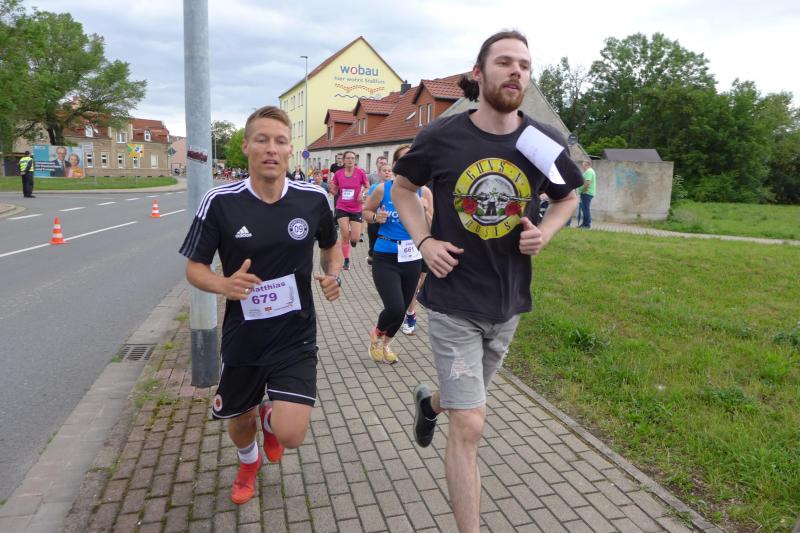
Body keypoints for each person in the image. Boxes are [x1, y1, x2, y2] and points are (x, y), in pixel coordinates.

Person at [392, 30, 583, 532]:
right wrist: (425, 241)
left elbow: (567, 198)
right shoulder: (442, 136)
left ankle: (428, 403)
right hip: (453, 299)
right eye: (504, 62)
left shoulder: (539, 141)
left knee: (461, 402)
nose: (516, 70)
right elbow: (403, 188)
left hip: (508, 302)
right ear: (478, 74)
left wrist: (545, 232)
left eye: (524, 64)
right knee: (471, 422)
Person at [179, 105, 343, 506]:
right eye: (262, 140)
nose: (272, 148)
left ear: (290, 151)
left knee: (292, 435)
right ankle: (248, 461)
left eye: (280, 141)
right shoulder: (220, 202)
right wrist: (224, 284)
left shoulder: (313, 199)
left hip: (295, 334)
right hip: (245, 337)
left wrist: (332, 275)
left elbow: (331, 246)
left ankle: (273, 422)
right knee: (240, 421)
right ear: (246, 146)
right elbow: (194, 268)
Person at [362, 147, 432, 363]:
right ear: (395, 165)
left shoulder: (425, 193)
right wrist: (376, 217)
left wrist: (424, 211)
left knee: (402, 311)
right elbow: (365, 212)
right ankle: (377, 333)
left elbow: (432, 227)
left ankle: (386, 344)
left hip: (412, 257)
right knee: (395, 307)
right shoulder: (383, 189)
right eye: (404, 160)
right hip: (385, 255)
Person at [329, 150, 369, 271]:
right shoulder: (338, 174)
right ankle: (346, 260)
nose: (350, 160)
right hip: (342, 207)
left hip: (356, 207)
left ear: (355, 160)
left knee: (355, 238)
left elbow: (367, 186)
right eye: (348, 158)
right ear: (344, 160)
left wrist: (362, 193)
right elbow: (334, 190)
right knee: (344, 233)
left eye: (352, 158)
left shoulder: (360, 173)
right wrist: (332, 189)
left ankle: (353, 240)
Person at [364, 161, 393, 266]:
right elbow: (368, 205)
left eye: (389, 171)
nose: (387, 173)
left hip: (388, 219)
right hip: (375, 219)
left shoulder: (395, 187)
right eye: (384, 171)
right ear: (379, 173)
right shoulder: (374, 187)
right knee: (373, 240)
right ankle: (372, 257)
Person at [577, 160, 595, 228]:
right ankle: (584, 224)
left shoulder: (589, 171)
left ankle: (587, 225)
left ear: (587, 165)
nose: (582, 166)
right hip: (587, 193)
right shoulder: (590, 171)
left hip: (586, 193)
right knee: (584, 209)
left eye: (583, 165)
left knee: (585, 209)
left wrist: (584, 191)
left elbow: (587, 183)